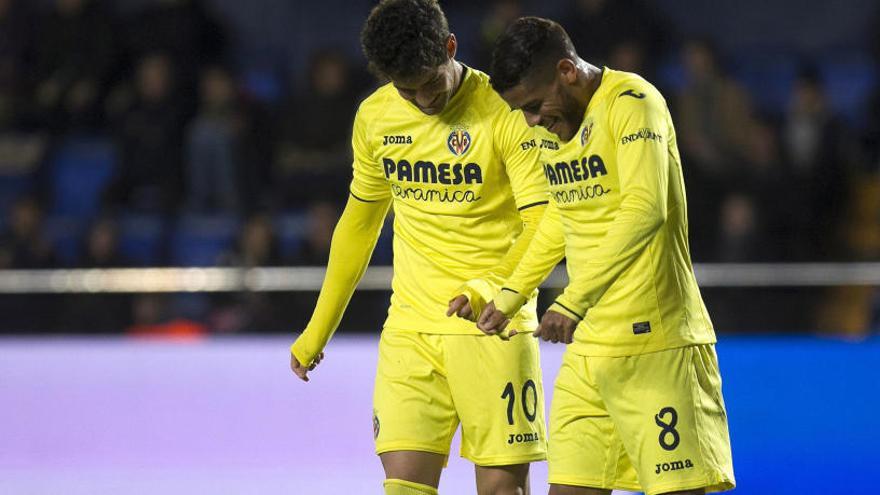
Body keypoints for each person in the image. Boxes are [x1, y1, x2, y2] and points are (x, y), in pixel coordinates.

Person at [288, 1, 551, 494]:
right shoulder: (376, 117)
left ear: (451, 48)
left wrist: (492, 289)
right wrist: (318, 328)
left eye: (430, 83)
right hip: (410, 326)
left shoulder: (506, 110)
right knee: (404, 487)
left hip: (496, 323)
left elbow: (544, 223)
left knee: (501, 490)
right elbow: (360, 224)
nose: (422, 101)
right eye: (406, 90)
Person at [479, 17, 735, 495]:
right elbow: (561, 216)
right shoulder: (549, 129)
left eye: (534, 106)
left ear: (567, 71)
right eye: (523, 113)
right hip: (590, 354)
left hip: (657, 348)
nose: (531, 121)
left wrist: (573, 301)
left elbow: (645, 209)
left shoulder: (634, 103)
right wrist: (509, 295)